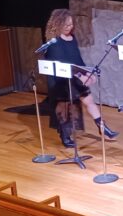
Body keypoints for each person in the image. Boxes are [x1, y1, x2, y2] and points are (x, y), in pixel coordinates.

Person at [42, 8, 118, 147]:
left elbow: (77, 60)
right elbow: (62, 65)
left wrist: (87, 73)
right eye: (66, 25)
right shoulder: (54, 42)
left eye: (71, 24)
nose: (70, 27)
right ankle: (65, 135)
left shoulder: (72, 38)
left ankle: (103, 128)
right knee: (65, 109)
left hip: (75, 76)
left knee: (89, 101)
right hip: (61, 80)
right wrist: (80, 76)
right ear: (58, 24)